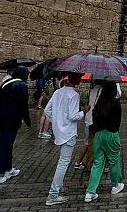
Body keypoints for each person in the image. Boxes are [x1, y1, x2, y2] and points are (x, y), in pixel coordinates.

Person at [45, 73, 90, 206]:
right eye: (79, 77)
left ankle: (58, 188)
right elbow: (72, 116)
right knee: (63, 163)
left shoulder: (58, 92)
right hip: (68, 133)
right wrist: (84, 111)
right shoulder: (74, 95)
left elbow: (47, 111)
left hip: (59, 131)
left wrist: (56, 122)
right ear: (75, 79)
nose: (81, 79)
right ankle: (53, 194)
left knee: (62, 161)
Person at [0, 66, 31, 186]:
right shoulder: (21, 86)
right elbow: (23, 106)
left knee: (5, 145)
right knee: (4, 148)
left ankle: (8, 169)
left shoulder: (6, 84)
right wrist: (27, 121)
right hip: (9, 122)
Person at [84, 81, 124, 203]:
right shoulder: (116, 104)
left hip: (98, 135)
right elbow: (118, 122)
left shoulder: (98, 105)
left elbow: (94, 121)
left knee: (97, 163)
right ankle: (116, 184)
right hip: (111, 133)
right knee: (114, 161)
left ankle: (90, 192)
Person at [75, 80, 104, 171]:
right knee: (94, 145)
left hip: (89, 120)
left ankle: (89, 163)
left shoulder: (92, 89)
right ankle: (91, 165)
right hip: (95, 120)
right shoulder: (100, 90)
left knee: (90, 143)